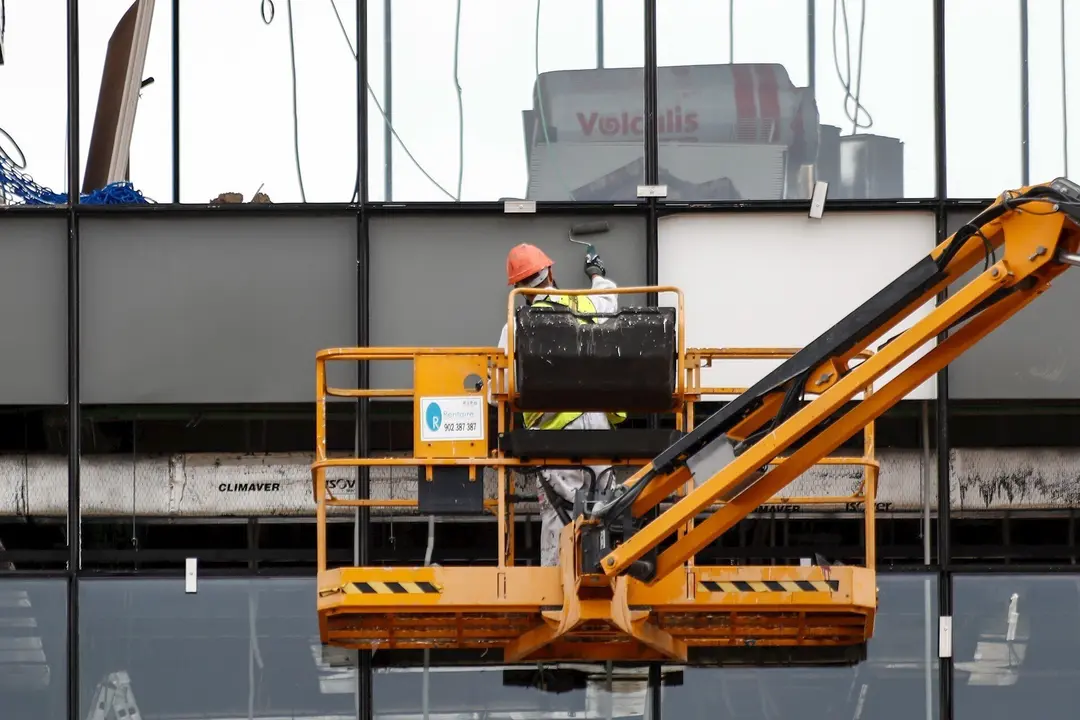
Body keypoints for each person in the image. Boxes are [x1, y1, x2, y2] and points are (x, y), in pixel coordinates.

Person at [496, 243, 627, 567]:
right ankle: (604, 575)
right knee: (602, 504)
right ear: (551, 273)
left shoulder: (515, 324)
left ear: (521, 289)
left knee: (558, 510)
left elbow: (498, 386)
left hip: (553, 436)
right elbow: (609, 299)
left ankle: (556, 593)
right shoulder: (581, 302)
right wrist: (596, 272)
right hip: (596, 425)